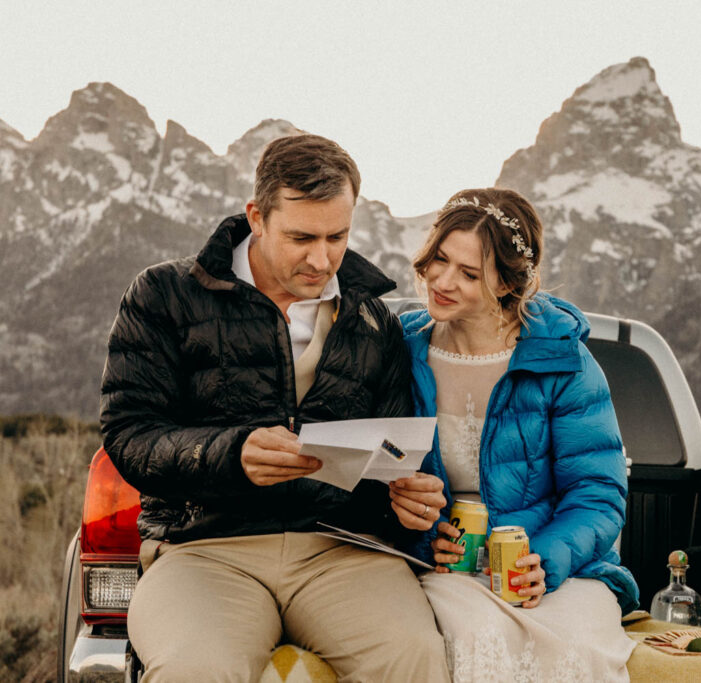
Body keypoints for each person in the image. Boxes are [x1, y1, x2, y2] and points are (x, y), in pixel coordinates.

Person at [100, 134, 450, 682]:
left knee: (415, 660)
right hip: (205, 550)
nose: (322, 258)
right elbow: (129, 435)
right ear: (256, 217)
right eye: (302, 237)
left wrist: (404, 501)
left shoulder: (374, 321)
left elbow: (389, 457)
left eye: (338, 236)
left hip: (343, 553)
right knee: (194, 670)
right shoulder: (163, 295)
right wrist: (230, 453)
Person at [399, 188, 640, 682]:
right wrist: (425, 537)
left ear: (509, 283)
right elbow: (375, 473)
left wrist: (543, 560)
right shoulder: (400, 351)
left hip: (558, 569)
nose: (442, 281)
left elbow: (597, 493)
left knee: (574, 645)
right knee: (474, 638)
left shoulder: (563, 361)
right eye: (439, 259)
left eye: (468, 274)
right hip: (445, 574)